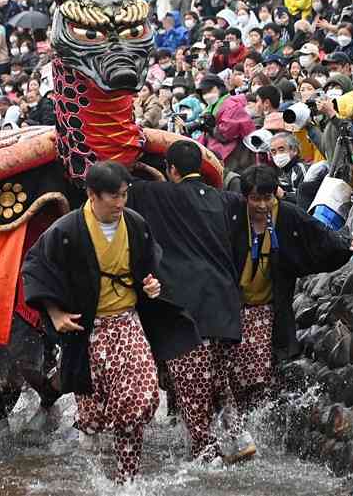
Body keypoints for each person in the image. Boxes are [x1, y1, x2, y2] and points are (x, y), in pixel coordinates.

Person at [22, 161, 198, 482]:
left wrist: (152, 284)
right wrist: (55, 313)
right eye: (113, 197)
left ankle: (126, 481)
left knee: (140, 399)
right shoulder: (66, 230)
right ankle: (100, 470)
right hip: (87, 329)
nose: (120, 203)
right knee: (95, 411)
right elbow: (35, 269)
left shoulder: (135, 223)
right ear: (91, 194)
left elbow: (149, 264)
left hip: (128, 323)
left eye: (124, 195)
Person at [127, 141, 247, 464]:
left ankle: (206, 454)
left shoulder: (158, 194)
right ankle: (238, 436)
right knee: (218, 377)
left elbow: (121, 182)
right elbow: (239, 250)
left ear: (172, 170)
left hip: (186, 308)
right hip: (224, 304)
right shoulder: (229, 200)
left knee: (192, 385)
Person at [224, 166, 353, 423]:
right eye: (256, 199)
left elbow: (318, 235)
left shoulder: (286, 215)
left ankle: (251, 422)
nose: (263, 205)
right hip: (231, 307)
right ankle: (235, 421)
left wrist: (346, 245)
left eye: (268, 198)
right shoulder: (230, 216)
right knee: (229, 371)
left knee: (258, 369)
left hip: (266, 306)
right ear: (245, 198)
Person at [269, 132, 308, 204]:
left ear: (294, 150)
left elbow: (305, 199)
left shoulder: (301, 169)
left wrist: (283, 195)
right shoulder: (282, 171)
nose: (277, 155)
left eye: (281, 150)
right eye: (273, 152)